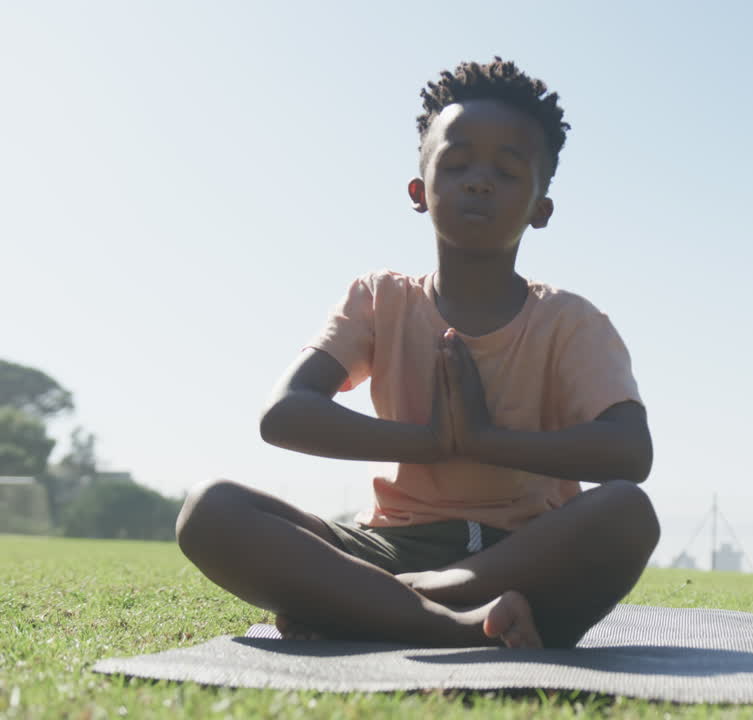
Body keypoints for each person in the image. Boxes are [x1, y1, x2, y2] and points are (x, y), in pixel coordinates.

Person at [175, 58, 659, 650]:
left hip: (528, 555)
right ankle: (458, 624)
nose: (479, 181)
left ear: (541, 207)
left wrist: (484, 440)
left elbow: (630, 454)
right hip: (392, 547)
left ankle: (381, 605)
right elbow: (284, 414)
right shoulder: (381, 300)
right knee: (209, 509)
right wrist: (431, 440)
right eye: (456, 165)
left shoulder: (572, 321)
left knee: (627, 514)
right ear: (419, 191)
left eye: (507, 172)